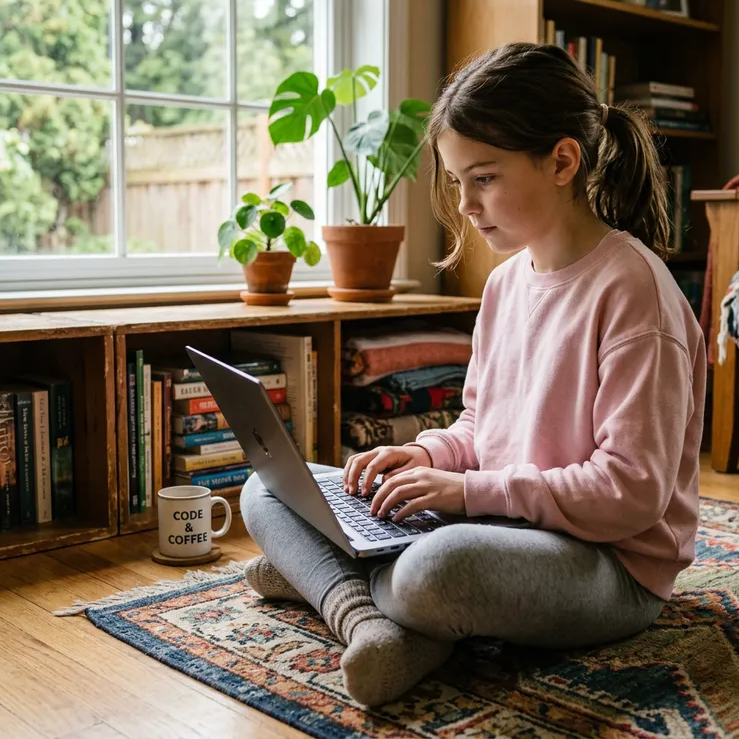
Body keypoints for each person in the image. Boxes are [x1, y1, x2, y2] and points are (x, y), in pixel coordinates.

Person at [240, 42, 706, 708]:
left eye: (483, 178)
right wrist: (424, 453)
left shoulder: (635, 293)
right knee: (270, 488)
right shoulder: (505, 283)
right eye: (458, 181)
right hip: (507, 527)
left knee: (438, 570)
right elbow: (482, 426)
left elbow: (630, 492)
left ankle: (338, 587)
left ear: (562, 161)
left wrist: (465, 492)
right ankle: (376, 615)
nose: (465, 204)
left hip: (609, 566)